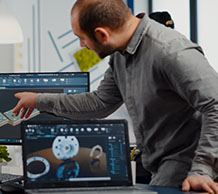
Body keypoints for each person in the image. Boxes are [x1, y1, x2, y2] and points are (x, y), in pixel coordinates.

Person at [12, 0, 218, 193]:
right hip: (160, 163)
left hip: (189, 168)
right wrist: (39, 100)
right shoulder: (121, 55)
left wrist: (202, 168)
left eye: (81, 38)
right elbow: (99, 103)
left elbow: (216, 104)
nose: (82, 45)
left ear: (102, 35)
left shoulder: (170, 51)